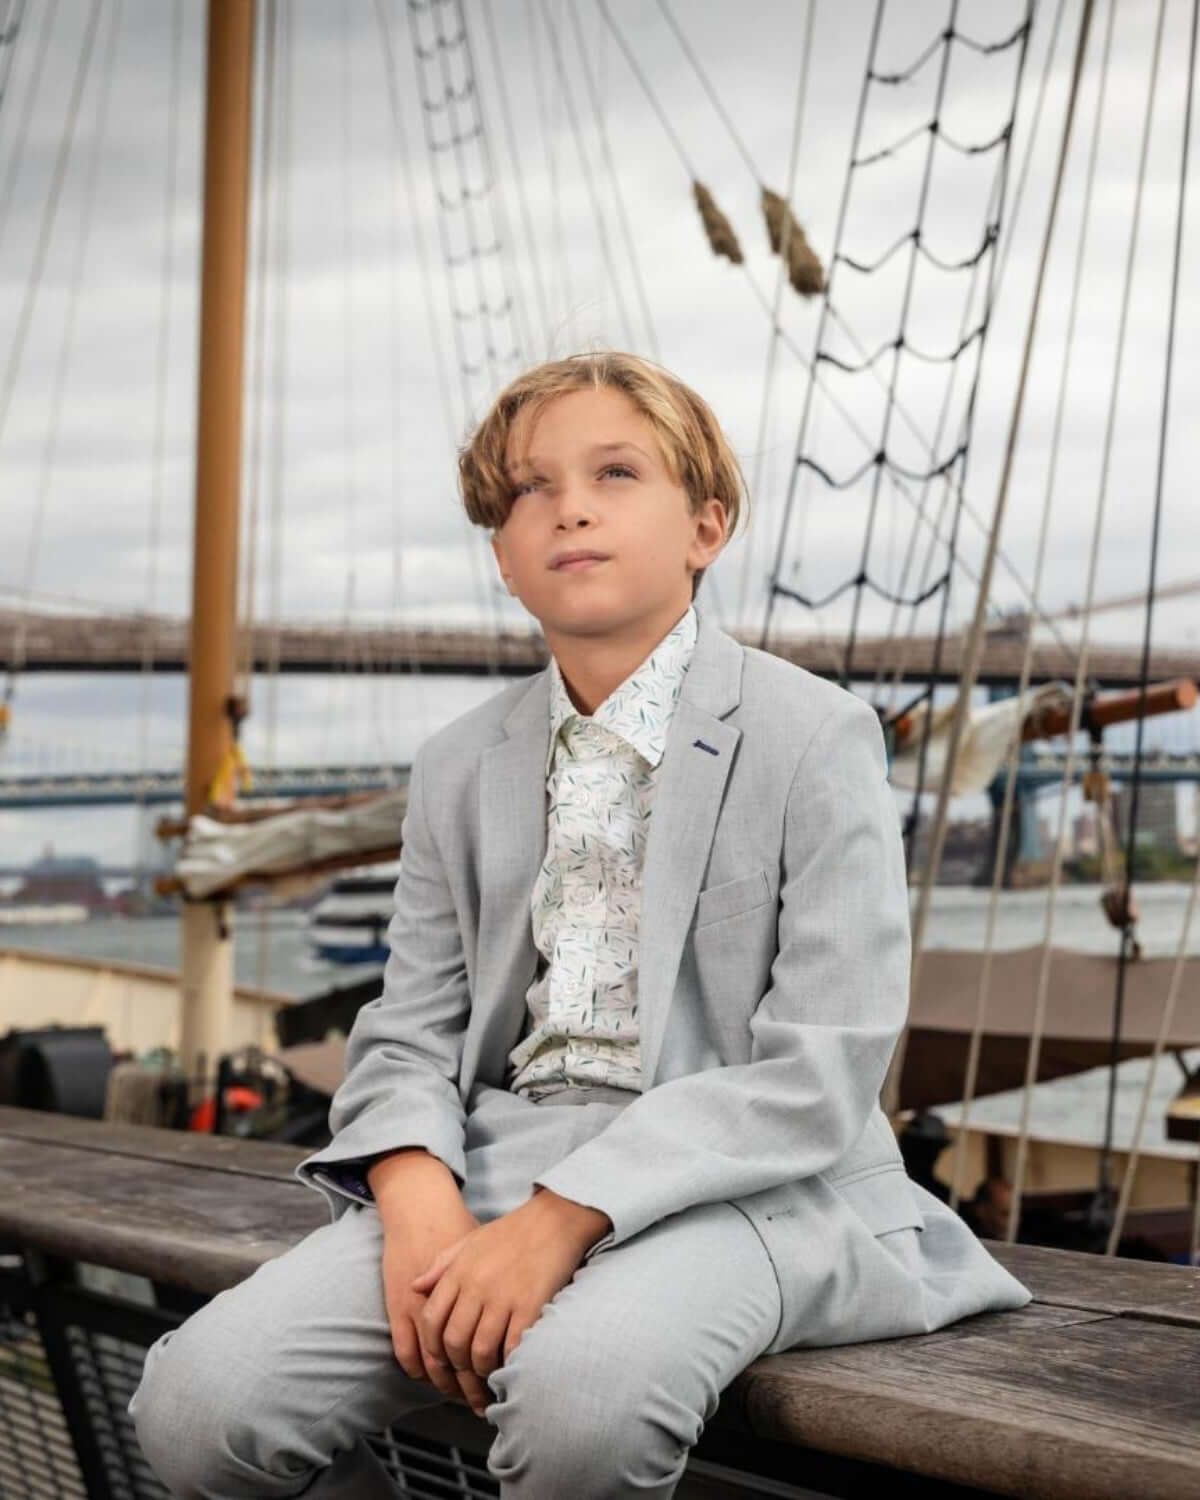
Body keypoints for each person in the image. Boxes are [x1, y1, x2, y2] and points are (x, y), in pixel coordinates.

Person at [129, 351, 1032, 1499]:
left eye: (616, 470)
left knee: (583, 1405)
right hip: (501, 1157)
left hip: (751, 1181)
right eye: (528, 491)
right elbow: (408, 1029)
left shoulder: (816, 735)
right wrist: (416, 1201)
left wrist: (558, 1222)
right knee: (199, 1407)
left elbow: (824, 1067)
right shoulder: (461, 765)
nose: (571, 507)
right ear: (504, 559)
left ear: (706, 527)